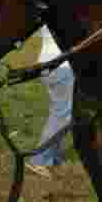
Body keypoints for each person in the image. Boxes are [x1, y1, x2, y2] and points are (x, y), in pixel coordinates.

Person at [25, 25, 75, 178]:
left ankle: (52, 157)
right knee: (64, 114)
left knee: (60, 112)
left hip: (47, 64)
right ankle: (39, 160)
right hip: (62, 66)